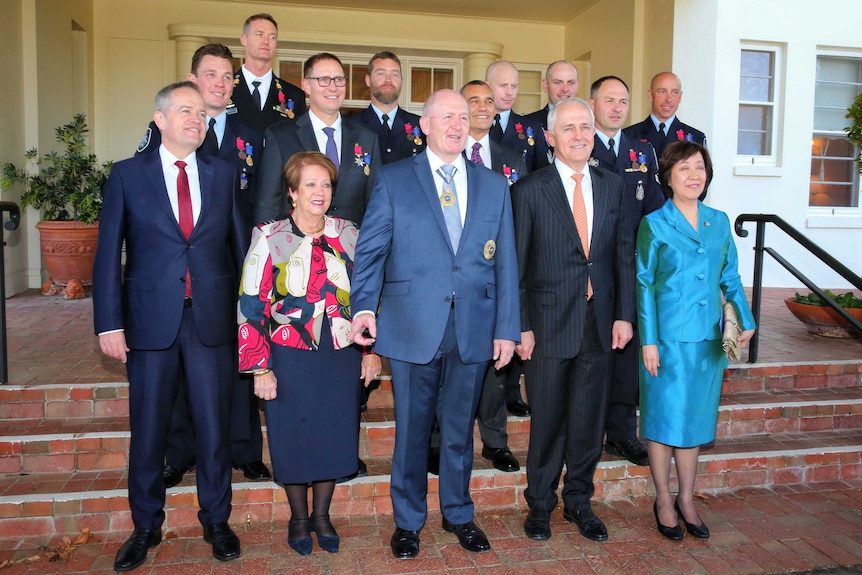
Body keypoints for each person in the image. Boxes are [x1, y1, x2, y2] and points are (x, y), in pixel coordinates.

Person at [348, 89, 520, 559]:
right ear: (423, 125)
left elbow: (506, 262)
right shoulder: (394, 179)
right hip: (410, 325)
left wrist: (507, 327)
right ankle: (407, 522)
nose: (456, 124)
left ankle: (459, 513)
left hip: (474, 326)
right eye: (446, 116)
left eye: (463, 116)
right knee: (413, 430)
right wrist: (363, 308)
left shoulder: (493, 185)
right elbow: (371, 252)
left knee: (461, 429)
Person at [93, 81, 245, 571]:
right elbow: (106, 254)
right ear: (159, 119)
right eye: (185, 110)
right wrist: (108, 323)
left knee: (213, 425)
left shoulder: (223, 173)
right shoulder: (126, 175)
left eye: (201, 113)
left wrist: (248, 315)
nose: (196, 119)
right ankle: (145, 526)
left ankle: (217, 520)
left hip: (210, 320)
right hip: (148, 321)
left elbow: (238, 248)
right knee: (149, 427)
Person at [134, 42, 270, 488]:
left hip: (230, 263)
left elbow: (259, 197)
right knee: (176, 382)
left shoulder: (250, 130)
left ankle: (246, 450)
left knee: (236, 366)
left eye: (227, 76)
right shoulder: (166, 129)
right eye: (210, 74)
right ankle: (181, 451)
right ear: (193, 80)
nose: (219, 82)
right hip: (178, 276)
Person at [238, 151, 379, 555]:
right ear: (292, 192)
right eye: (310, 184)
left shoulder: (349, 233)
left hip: (340, 353)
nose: (319, 192)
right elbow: (251, 304)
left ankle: (322, 515)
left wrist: (370, 350)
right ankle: (299, 518)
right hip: (289, 355)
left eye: (326, 184)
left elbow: (367, 297)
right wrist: (259, 368)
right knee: (294, 437)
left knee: (334, 435)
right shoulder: (269, 236)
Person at [513, 97, 635, 543]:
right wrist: (521, 325)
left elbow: (623, 254)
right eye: (569, 128)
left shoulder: (613, 185)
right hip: (546, 327)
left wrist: (623, 315)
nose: (579, 135)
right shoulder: (528, 190)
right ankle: (541, 504)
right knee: (547, 421)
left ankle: (579, 502)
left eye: (585, 126)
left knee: (588, 422)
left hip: (600, 324)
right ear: (550, 138)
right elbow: (516, 266)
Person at [637, 141, 755, 540]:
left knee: (694, 423)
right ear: (668, 176)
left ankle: (687, 498)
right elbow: (644, 284)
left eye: (700, 167)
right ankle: (664, 499)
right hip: (666, 342)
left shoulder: (719, 221)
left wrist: (744, 320)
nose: (694, 175)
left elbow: (731, 278)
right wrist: (648, 342)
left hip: (707, 341)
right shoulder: (654, 223)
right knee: (663, 422)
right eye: (684, 168)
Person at [589, 75, 665, 467]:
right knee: (593, 353)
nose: (616, 108)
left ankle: (620, 433)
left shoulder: (642, 151)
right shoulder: (580, 145)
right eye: (608, 100)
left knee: (625, 355)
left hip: (630, 272)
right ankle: (586, 432)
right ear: (592, 103)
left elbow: (655, 210)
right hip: (591, 271)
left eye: (623, 101)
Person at [462, 79, 526, 472]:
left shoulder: (513, 159)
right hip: (455, 281)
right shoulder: (445, 153)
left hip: (496, 278)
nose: (483, 106)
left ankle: (495, 441)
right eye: (474, 100)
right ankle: (438, 442)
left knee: (495, 367)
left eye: (489, 100)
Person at [254, 52, 380, 226]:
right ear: (306, 85)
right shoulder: (281, 136)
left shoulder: (367, 139)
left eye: (339, 80)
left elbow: (376, 205)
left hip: (351, 247)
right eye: (324, 80)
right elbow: (268, 203)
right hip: (294, 247)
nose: (333, 87)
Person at [231, 13, 307, 134]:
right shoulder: (225, 87)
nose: (266, 41)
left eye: (272, 37)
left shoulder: (294, 95)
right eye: (259, 35)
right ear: (244, 39)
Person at [346, 51, 426, 164]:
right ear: (368, 80)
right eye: (381, 73)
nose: (388, 80)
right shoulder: (350, 126)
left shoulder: (420, 126)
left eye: (395, 74)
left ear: (402, 82)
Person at [623, 72, 707, 159]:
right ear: (650, 96)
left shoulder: (696, 138)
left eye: (675, 92)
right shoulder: (628, 136)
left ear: (680, 97)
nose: (669, 99)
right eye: (662, 92)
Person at [485, 60, 550, 173]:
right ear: (487, 86)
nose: (509, 92)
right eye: (503, 85)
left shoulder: (532, 128)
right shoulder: (473, 126)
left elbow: (542, 174)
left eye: (514, 86)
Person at [524, 60, 580, 139]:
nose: (565, 89)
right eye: (558, 82)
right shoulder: (527, 124)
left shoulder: (590, 124)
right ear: (545, 85)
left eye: (571, 82)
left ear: (578, 86)